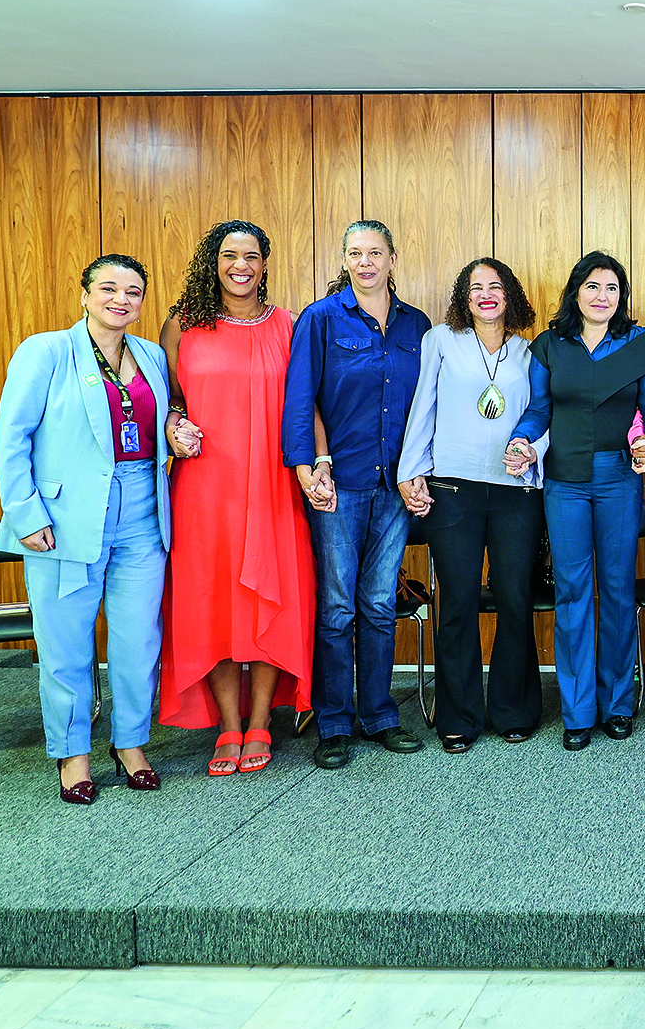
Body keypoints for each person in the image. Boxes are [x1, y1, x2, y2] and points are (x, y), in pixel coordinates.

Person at [0, 254, 191, 804]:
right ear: (84, 294)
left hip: (142, 516)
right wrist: (26, 514)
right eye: (108, 288)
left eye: (133, 292)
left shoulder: (152, 354)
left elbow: (160, 418)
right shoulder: (47, 352)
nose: (120, 300)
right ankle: (73, 753)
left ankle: (130, 743)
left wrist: (178, 430)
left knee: (136, 642)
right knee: (66, 644)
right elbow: (11, 438)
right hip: (66, 519)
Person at [158, 220, 315, 778]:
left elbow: (306, 404)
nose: (240, 265)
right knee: (215, 603)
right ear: (213, 261)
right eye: (229, 255)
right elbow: (166, 403)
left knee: (272, 598)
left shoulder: (289, 325)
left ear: (266, 264)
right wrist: (175, 426)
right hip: (206, 489)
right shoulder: (183, 327)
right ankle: (228, 724)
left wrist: (315, 463)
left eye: (251, 255)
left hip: (273, 484)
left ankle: (261, 722)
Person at [282, 219, 433, 769]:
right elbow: (302, 396)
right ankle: (334, 722)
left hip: (395, 484)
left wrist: (421, 469)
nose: (365, 262)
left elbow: (428, 406)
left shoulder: (417, 325)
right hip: (337, 484)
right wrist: (305, 465)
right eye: (354, 253)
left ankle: (380, 715)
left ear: (393, 258)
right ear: (344, 260)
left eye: (375, 252)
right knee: (338, 606)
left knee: (376, 601)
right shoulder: (321, 319)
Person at [504, 251, 645, 748]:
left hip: (619, 478)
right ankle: (577, 712)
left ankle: (617, 704)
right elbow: (538, 411)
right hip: (564, 481)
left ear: (622, 297)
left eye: (612, 288)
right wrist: (521, 441)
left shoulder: (637, 343)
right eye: (594, 287)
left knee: (617, 590)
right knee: (573, 592)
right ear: (577, 291)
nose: (603, 297)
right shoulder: (549, 346)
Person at [398, 257, 544, 753]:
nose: (486, 294)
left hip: (515, 493)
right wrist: (410, 470)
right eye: (476, 287)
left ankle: (513, 710)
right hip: (452, 490)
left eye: (495, 286)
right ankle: (458, 715)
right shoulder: (441, 340)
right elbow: (423, 407)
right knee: (457, 601)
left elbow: (544, 417)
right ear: (464, 297)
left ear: (511, 296)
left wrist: (534, 451)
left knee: (514, 599)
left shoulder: (531, 351)